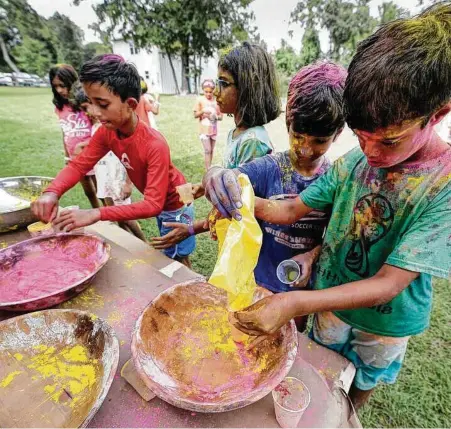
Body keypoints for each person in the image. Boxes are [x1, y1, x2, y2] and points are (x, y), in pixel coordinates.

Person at [204, 3, 451, 410]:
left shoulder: (442, 185)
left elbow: (388, 284)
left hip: (386, 321)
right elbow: (287, 211)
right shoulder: (355, 162)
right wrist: (231, 183)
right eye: (360, 135)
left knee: (360, 385)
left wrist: (292, 303)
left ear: (437, 115)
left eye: (388, 141)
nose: (369, 152)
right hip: (329, 302)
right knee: (320, 372)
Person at [33, 54, 195, 267]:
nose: (94, 112)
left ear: (130, 104)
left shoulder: (154, 144)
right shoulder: (107, 132)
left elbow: (153, 204)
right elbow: (79, 164)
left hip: (177, 202)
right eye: (91, 103)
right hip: (164, 200)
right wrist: (52, 192)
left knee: (177, 255)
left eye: (102, 104)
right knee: (172, 251)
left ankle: (190, 288)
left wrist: (97, 213)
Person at [151, 42, 281, 252]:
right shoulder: (237, 133)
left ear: (248, 89)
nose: (216, 91)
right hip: (231, 234)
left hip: (243, 243)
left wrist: (191, 228)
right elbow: (231, 173)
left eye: (224, 83)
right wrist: (203, 188)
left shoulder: (253, 142)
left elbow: (239, 205)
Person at [72, 86, 147, 242]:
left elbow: (130, 157)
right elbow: (97, 147)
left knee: (125, 213)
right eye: (86, 108)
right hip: (104, 174)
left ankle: (144, 242)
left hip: (116, 174)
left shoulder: (113, 125)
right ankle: (129, 242)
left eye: (88, 107)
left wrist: (128, 183)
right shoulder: (98, 126)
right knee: (113, 211)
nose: (89, 112)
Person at [49, 64, 100, 209]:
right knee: (88, 191)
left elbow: (98, 128)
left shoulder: (84, 103)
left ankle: (108, 216)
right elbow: (64, 132)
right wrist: (67, 156)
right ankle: (97, 214)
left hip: (93, 154)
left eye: (63, 85)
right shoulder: (60, 108)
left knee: (101, 191)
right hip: (75, 157)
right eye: (56, 86)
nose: (60, 90)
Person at [194, 79, 223, 170]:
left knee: (211, 151)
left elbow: (221, 116)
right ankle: (207, 170)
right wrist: (203, 111)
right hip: (204, 130)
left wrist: (215, 117)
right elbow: (195, 115)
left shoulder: (216, 102)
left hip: (213, 130)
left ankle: (209, 168)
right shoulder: (200, 100)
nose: (208, 94)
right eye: (206, 92)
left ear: (213, 90)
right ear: (203, 90)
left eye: (210, 92)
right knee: (207, 150)